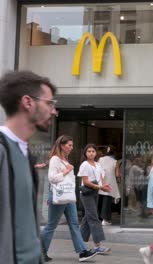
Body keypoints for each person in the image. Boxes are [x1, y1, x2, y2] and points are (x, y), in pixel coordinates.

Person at [0, 71, 57, 263]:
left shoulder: (26, 155)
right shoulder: (2, 151)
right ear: (28, 102)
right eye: (49, 103)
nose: (54, 111)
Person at [41, 135, 98, 262]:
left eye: (72, 145)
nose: (72, 148)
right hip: (59, 195)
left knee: (74, 224)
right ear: (62, 145)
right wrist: (67, 170)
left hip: (68, 196)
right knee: (51, 225)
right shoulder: (55, 159)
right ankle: (40, 251)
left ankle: (83, 252)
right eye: (69, 145)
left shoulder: (65, 159)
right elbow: (52, 178)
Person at [78, 144, 113, 255]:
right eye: (89, 151)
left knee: (87, 219)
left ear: (96, 153)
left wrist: (105, 186)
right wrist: (100, 187)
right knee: (94, 218)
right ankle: (97, 246)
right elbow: (86, 181)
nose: (91, 153)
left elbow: (101, 179)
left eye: (93, 151)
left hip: (94, 193)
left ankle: (79, 244)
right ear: (85, 153)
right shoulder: (84, 164)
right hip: (86, 193)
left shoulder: (98, 165)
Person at [98, 145, 121, 226]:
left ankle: (98, 218)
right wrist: (119, 181)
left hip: (100, 182)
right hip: (110, 183)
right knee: (106, 201)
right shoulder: (115, 161)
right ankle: (105, 219)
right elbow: (117, 174)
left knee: (99, 200)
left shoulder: (100, 159)